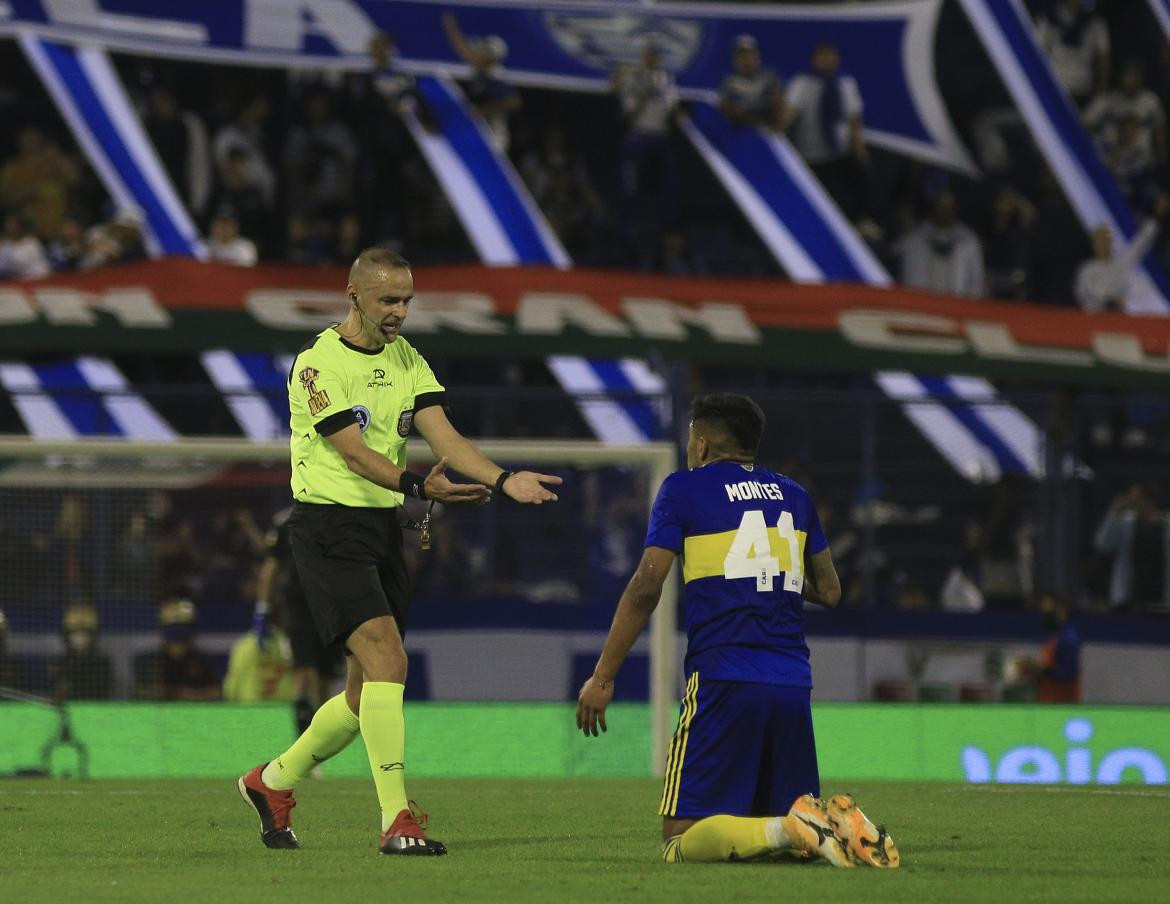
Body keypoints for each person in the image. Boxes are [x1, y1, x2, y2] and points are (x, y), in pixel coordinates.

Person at [237, 247, 561, 856]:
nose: (401, 312)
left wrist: (502, 479)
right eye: (390, 300)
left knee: (365, 695)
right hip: (327, 529)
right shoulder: (317, 363)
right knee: (389, 659)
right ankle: (397, 823)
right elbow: (353, 454)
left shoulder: (407, 358)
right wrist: (419, 486)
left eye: (408, 300)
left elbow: (446, 436)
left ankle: (271, 781)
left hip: (382, 531)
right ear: (353, 294)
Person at [576, 393, 898, 868]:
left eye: (690, 439)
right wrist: (771, 573)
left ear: (702, 445)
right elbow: (830, 592)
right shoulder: (797, 495)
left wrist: (604, 677)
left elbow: (646, 587)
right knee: (780, 848)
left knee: (679, 841)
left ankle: (799, 825)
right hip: (792, 684)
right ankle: (824, 826)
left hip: (724, 679)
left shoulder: (682, 490)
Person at [257, 505, 342, 742]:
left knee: (326, 680)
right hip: (297, 607)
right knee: (302, 673)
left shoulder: (339, 516)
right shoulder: (285, 522)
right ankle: (303, 742)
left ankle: (323, 742)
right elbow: (271, 567)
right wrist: (261, 608)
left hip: (331, 606)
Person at [782, 43, 869, 225]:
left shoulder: (845, 83)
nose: (827, 60)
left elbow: (854, 118)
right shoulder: (802, 83)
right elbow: (789, 113)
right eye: (823, 56)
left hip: (839, 154)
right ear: (814, 59)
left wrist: (859, 148)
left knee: (843, 201)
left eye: (831, 56)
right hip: (810, 156)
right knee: (814, 204)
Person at [443, 12, 520, 152]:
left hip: (494, 135)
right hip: (477, 129)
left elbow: (513, 102)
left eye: (484, 51)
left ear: (491, 57)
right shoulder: (481, 68)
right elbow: (463, 50)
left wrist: (482, 110)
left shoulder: (495, 76)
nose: (478, 52)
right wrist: (451, 26)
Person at [1093, 483, 1170, 610]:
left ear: (1148, 500)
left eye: (1136, 499)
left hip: (1163, 601)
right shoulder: (1124, 524)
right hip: (1129, 599)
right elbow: (1102, 545)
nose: (1131, 502)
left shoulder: (1165, 524)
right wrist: (1113, 513)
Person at [899, 190, 985, 297]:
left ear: (955, 209)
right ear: (934, 207)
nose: (944, 211)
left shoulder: (969, 240)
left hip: (957, 304)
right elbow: (906, 275)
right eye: (941, 206)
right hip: (921, 301)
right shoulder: (916, 237)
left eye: (949, 208)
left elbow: (976, 281)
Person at [134, 599, 220, 701]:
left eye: (182, 627)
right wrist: (161, 692)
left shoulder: (202, 660)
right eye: (172, 627)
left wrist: (191, 695)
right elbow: (137, 692)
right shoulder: (151, 661)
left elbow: (216, 692)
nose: (177, 636)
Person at [1074, 217, 1161, 313]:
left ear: (1111, 242)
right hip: (1096, 318)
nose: (1102, 243)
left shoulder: (1121, 262)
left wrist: (1156, 217)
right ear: (1093, 243)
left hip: (1121, 316)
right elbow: (1083, 295)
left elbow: (1140, 244)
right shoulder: (1086, 270)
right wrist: (1108, 301)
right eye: (1099, 240)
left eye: (1105, 240)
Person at [223, 602, 296, 703]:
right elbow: (235, 676)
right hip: (254, 703)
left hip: (278, 703)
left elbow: (292, 667)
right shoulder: (243, 646)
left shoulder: (284, 642)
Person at [718, 34, 785, 132]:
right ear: (735, 60)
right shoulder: (728, 82)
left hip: (768, 129)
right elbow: (727, 109)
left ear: (756, 57)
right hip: (741, 131)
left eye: (749, 55)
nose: (746, 60)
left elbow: (778, 104)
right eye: (742, 56)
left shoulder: (769, 77)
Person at [50, 604, 112, 701]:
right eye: (74, 632)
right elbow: (58, 695)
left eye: (85, 632)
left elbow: (101, 695)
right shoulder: (60, 663)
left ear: (94, 635)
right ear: (66, 635)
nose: (80, 637)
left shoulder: (102, 664)